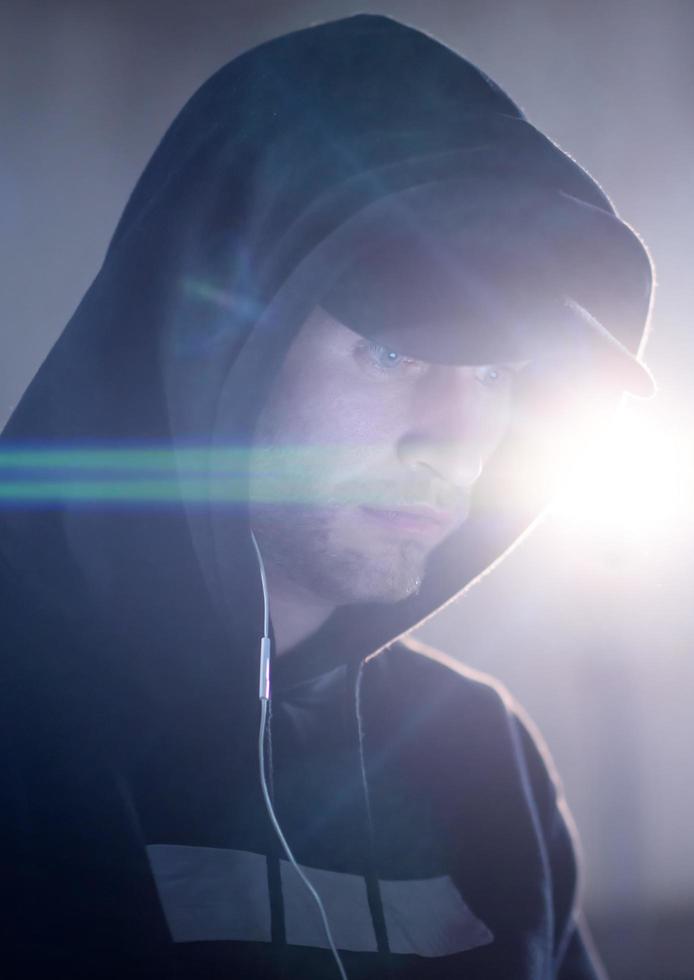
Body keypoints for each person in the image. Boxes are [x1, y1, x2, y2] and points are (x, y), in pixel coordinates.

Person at [0, 14, 654, 978]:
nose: (455, 439)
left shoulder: (480, 758)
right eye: (391, 354)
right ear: (215, 341)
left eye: (493, 373)